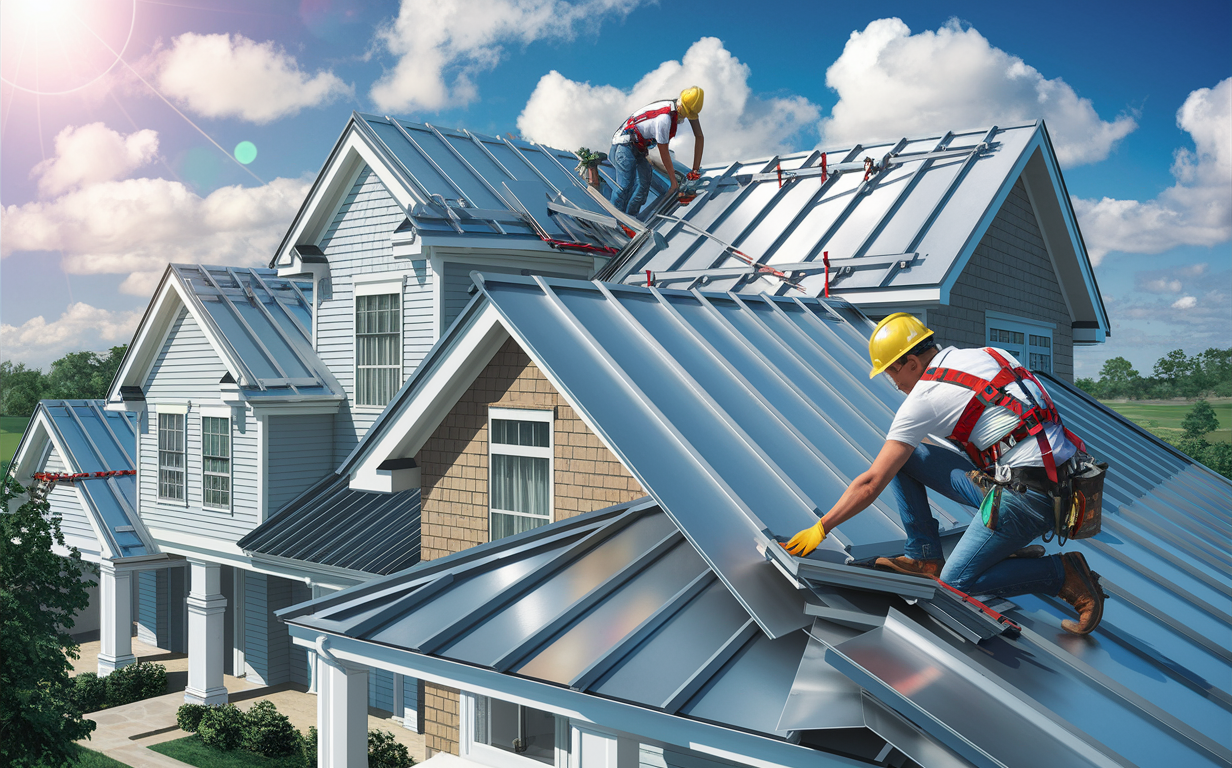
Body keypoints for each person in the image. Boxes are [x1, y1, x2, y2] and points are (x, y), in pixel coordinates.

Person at [783, 313, 1107, 635]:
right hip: (1060, 485)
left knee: (953, 585)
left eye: (891, 374)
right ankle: (924, 556)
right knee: (910, 456)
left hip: (1025, 500)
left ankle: (1062, 573)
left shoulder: (923, 398)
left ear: (910, 362)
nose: (896, 386)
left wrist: (822, 527)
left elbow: (871, 482)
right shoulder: (987, 356)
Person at [609, 87, 705, 216]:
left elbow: (699, 136)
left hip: (639, 148)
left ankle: (631, 217)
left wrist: (695, 170)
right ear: (681, 106)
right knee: (625, 186)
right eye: (686, 114)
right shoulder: (664, 118)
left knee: (643, 185)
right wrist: (673, 182)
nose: (685, 118)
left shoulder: (683, 108)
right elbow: (663, 151)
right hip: (624, 145)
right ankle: (616, 218)